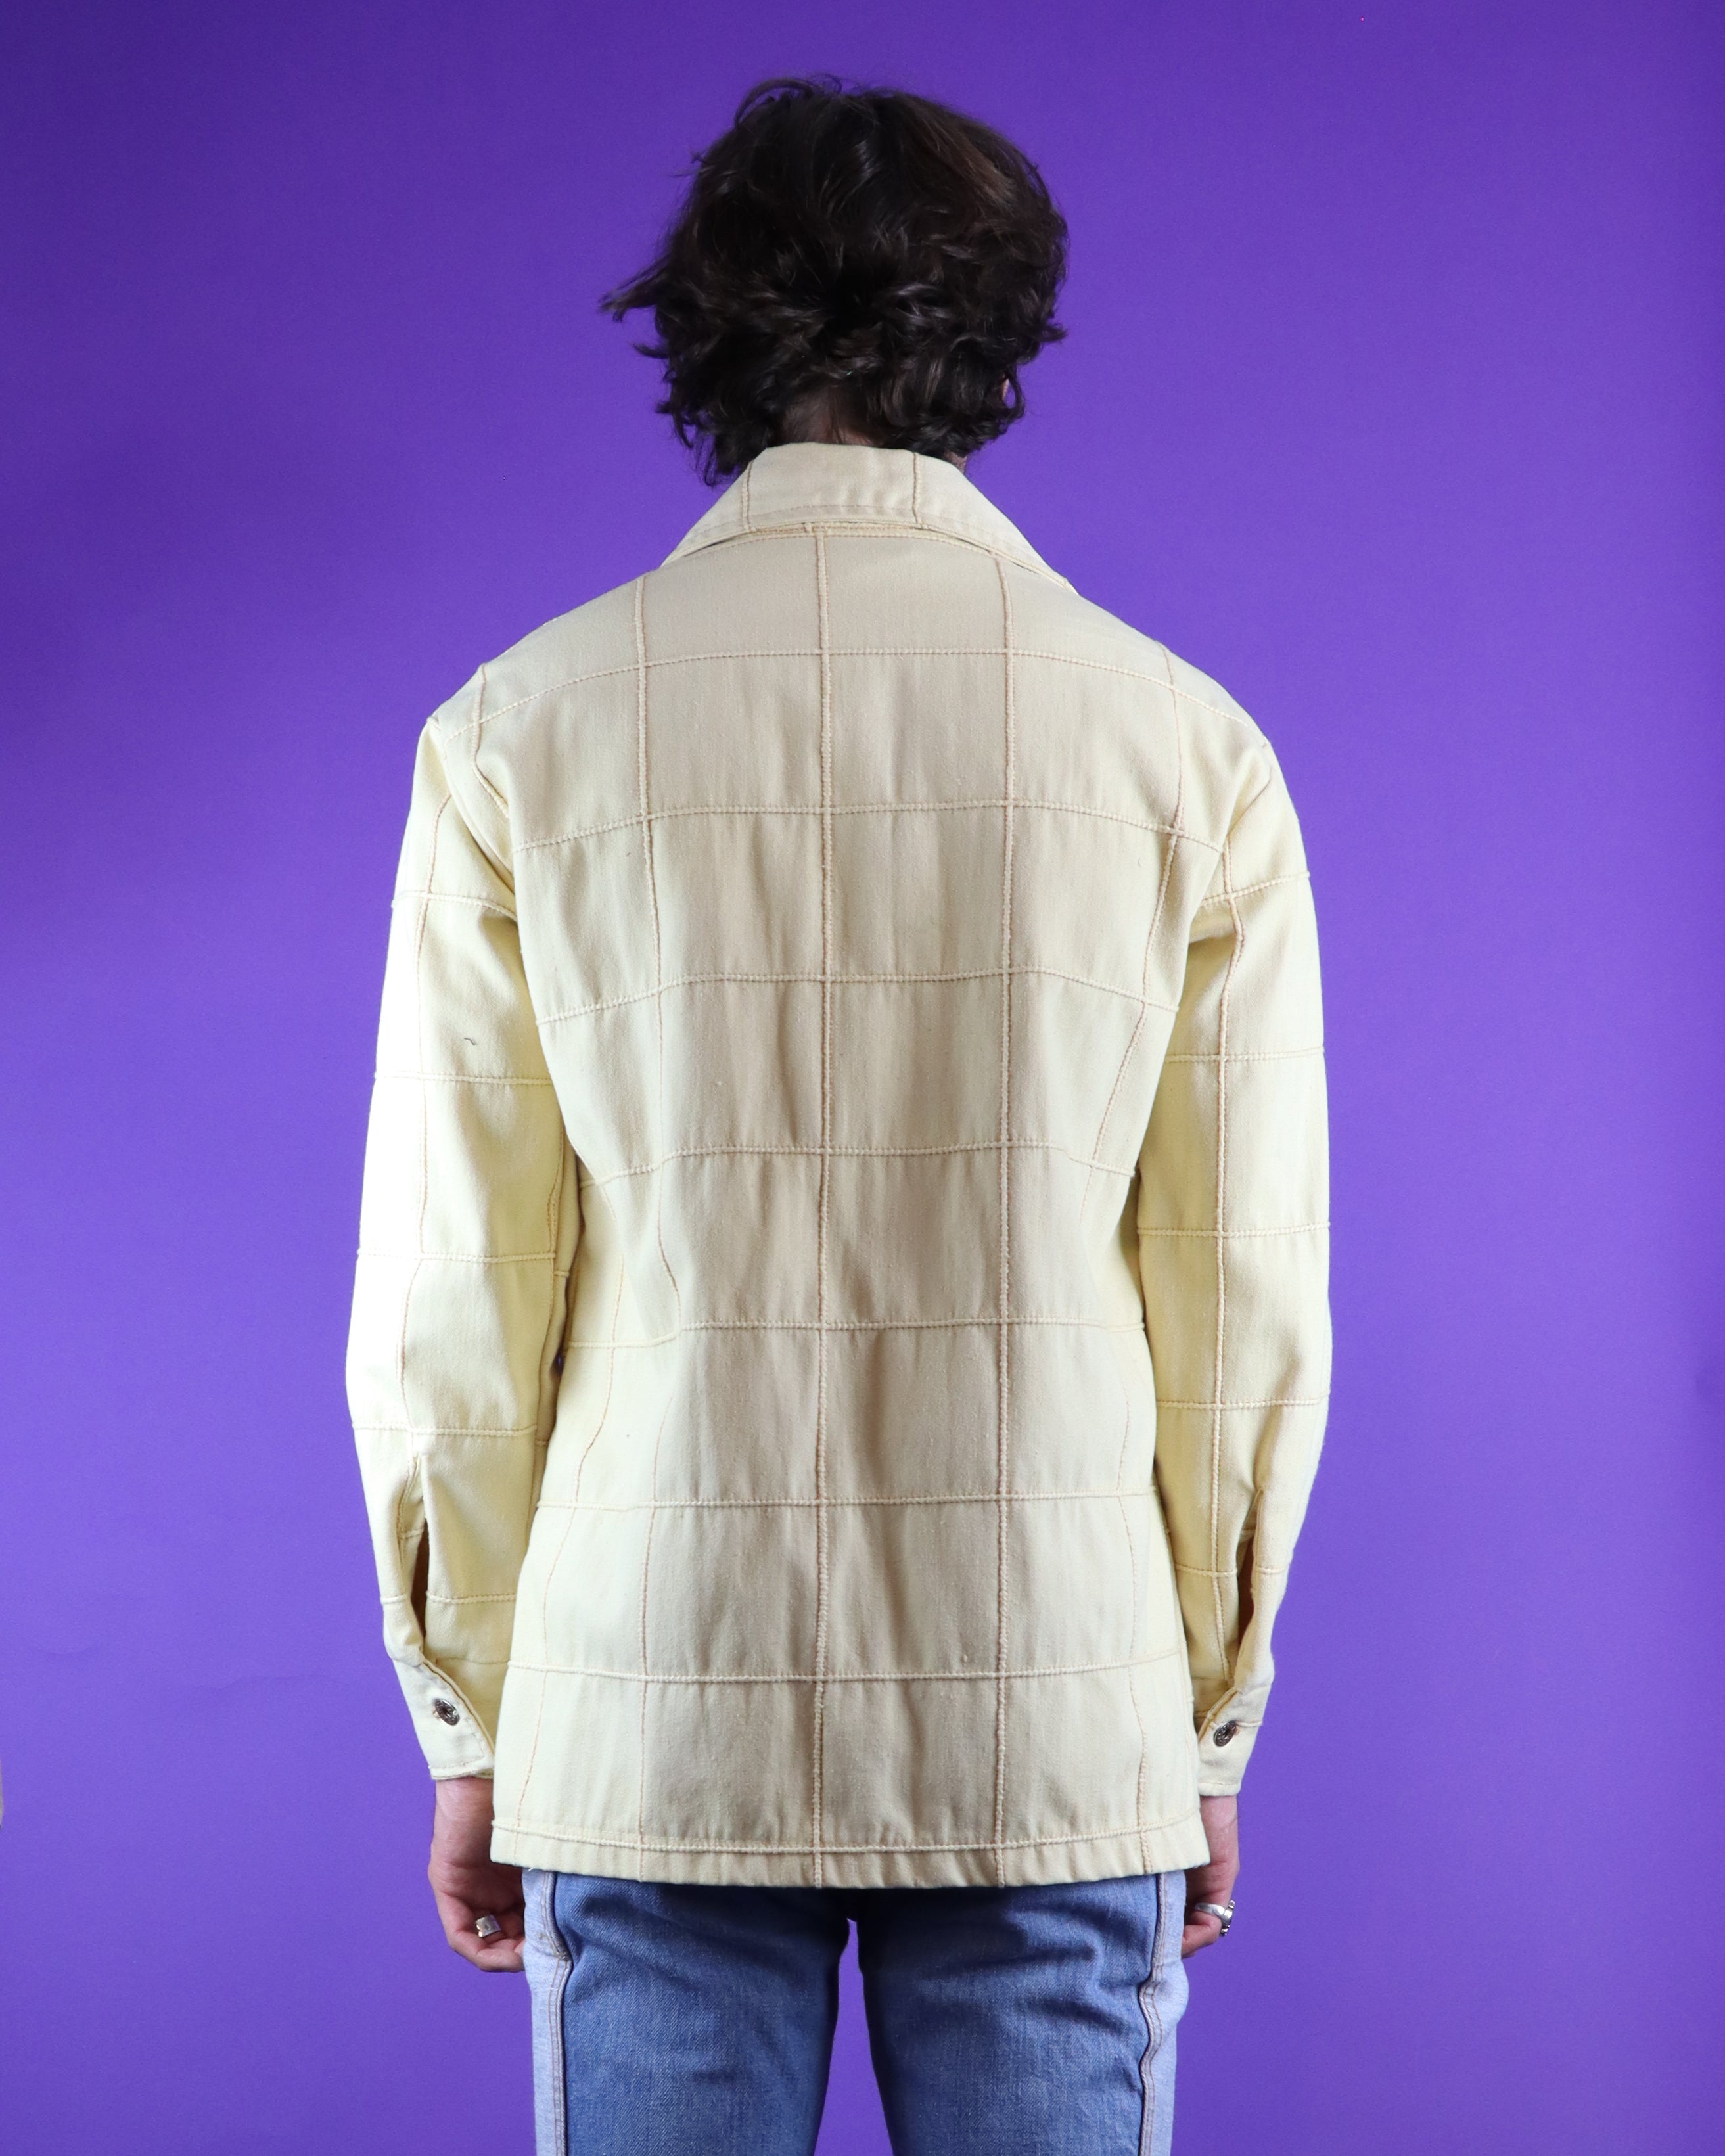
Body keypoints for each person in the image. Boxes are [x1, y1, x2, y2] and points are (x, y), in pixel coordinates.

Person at [346, 74, 1329, 2156]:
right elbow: (1237, 1297)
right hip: (1050, 1700)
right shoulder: (1184, 746)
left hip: (649, 1709)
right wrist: (1204, 1715)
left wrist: (471, 1711)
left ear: (704, 327)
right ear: (998, 332)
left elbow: (455, 1294)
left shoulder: (517, 729)